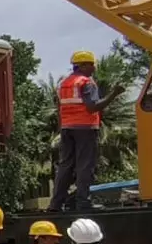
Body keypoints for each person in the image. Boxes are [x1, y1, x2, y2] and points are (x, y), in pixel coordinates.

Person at [48, 50, 122, 212]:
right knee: (84, 165)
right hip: (85, 129)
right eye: (91, 64)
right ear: (82, 66)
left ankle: (55, 204)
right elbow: (93, 107)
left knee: (65, 166)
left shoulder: (66, 83)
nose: (94, 67)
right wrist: (114, 94)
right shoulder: (86, 82)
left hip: (67, 128)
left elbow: (62, 107)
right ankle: (83, 202)